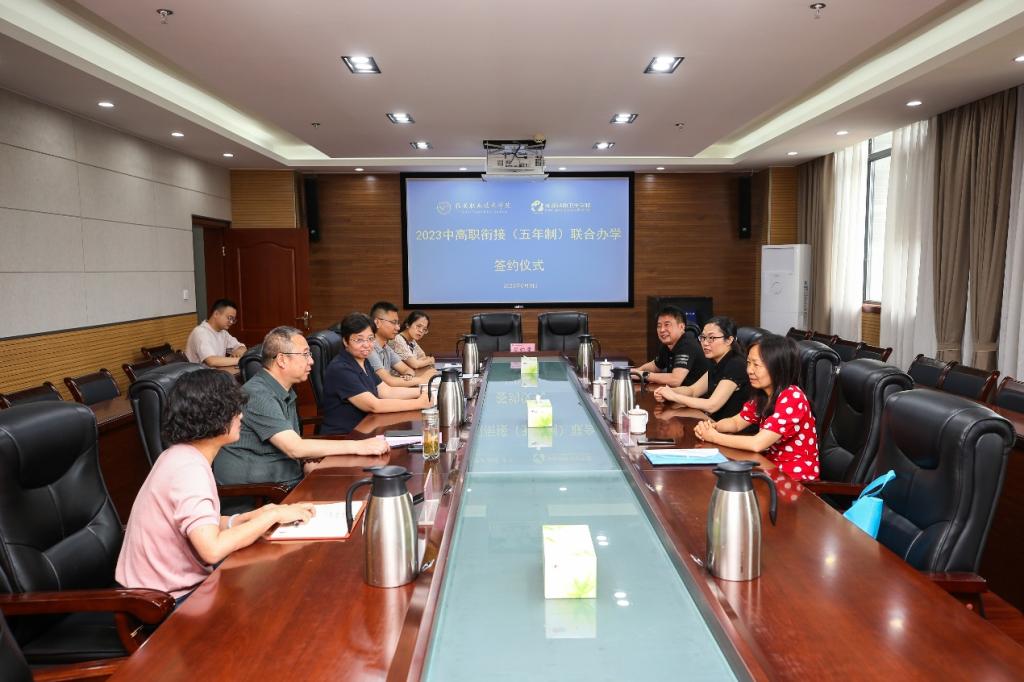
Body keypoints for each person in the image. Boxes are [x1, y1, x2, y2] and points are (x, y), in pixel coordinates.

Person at [116, 369, 315, 605]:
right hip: (161, 601)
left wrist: (253, 516)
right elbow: (211, 549)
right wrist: (271, 516)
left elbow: (200, 525)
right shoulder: (188, 470)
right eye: (235, 410)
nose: (241, 416)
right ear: (214, 416)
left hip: (167, 590)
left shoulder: (180, 455)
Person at [213, 326, 390, 491]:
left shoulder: (283, 389)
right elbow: (295, 448)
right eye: (305, 354)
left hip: (287, 480)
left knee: (367, 480)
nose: (311, 361)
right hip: (263, 494)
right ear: (282, 359)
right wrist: (359, 446)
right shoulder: (257, 394)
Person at [693, 334, 819, 481]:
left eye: (756, 365)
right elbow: (736, 422)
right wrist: (712, 427)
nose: (749, 370)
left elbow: (757, 443)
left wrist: (714, 437)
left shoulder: (793, 397)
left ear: (777, 368)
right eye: (748, 363)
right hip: (768, 468)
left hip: (795, 480)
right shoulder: (763, 394)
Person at [322, 313, 434, 435]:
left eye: (370, 339)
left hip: (368, 428)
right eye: (359, 339)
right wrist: (420, 403)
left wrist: (427, 391)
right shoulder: (341, 369)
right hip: (345, 437)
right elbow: (374, 405)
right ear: (345, 341)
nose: (366, 345)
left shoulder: (363, 362)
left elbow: (387, 391)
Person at [653, 316, 749, 420]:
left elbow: (712, 405)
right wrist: (668, 391)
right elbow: (693, 391)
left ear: (729, 340)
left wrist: (674, 397)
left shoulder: (736, 364)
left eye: (711, 338)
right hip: (714, 423)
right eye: (703, 337)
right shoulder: (716, 361)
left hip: (733, 428)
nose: (705, 343)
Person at [632, 305, 708, 387]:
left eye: (667, 325)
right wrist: (635, 372)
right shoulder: (668, 344)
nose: (662, 330)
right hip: (681, 392)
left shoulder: (687, 344)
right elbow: (655, 366)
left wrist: (644, 375)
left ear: (681, 327)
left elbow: (675, 380)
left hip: (701, 394)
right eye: (659, 326)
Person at [368, 301, 435, 388]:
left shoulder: (386, 348)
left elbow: (407, 370)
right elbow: (389, 381)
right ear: (377, 322)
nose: (398, 327)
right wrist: (422, 379)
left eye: (397, 323)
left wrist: (409, 376)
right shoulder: (369, 348)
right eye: (393, 322)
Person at [185, 299, 246, 367]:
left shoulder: (223, 332)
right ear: (216, 314)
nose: (231, 322)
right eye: (229, 318)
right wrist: (241, 360)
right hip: (197, 373)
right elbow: (212, 361)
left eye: (233, 319)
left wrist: (240, 349)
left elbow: (241, 346)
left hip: (215, 372)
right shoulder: (200, 332)